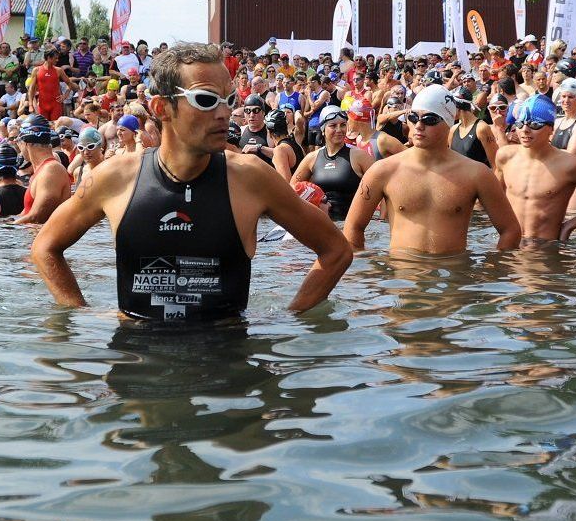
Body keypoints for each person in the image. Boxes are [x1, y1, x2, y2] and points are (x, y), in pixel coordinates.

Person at [31, 41, 352, 319]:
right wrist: (80, 314)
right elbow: (45, 246)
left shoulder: (251, 177)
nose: (224, 114)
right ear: (162, 108)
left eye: (228, 101)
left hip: (227, 368)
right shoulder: (114, 177)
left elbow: (336, 250)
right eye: (207, 100)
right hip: (139, 365)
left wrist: (291, 317)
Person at [345, 85, 520, 254]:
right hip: (403, 278)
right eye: (413, 117)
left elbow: (510, 230)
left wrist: (489, 273)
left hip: (454, 278)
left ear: (449, 122)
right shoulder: (383, 171)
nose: (419, 125)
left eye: (429, 119)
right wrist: (369, 273)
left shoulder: (476, 174)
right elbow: (352, 227)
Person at [495, 94, 576, 242]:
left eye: (535, 125)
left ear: (551, 128)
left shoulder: (569, 164)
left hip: (545, 250)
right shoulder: (505, 156)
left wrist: (570, 225)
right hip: (509, 247)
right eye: (520, 124)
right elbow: (495, 199)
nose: (525, 130)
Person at [292, 105, 374, 220]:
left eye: (343, 125)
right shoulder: (312, 158)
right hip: (322, 226)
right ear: (323, 129)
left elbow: (383, 186)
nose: (339, 130)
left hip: (350, 225)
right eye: (333, 126)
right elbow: (292, 190)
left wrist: (383, 218)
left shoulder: (359, 156)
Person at [15, 114, 74, 224]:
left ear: (25, 143)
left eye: (18, 141)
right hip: (35, 238)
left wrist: (8, 232)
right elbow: (26, 213)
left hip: (49, 239)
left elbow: (37, 217)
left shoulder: (51, 170)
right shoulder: (41, 171)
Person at [448, 89, 499, 166]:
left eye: (449, 107)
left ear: (457, 107)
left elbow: (495, 164)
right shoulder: (453, 129)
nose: (448, 111)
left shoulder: (481, 128)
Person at [265, 108, 304, 181]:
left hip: (293, 191)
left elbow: (286, 184)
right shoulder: (297, 144)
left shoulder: (280, 150)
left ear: (269, 133)